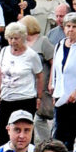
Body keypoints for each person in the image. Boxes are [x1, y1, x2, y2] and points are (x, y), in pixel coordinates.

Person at [50, 12, 76, 151]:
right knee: (60, 130)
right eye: (68, 26)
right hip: (61, 94)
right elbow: (56, 68)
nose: (70, 29)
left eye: (74, 26)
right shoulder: (59, 45)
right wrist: (52, 86)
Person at [0, 22, 43, 146]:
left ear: (23, 38)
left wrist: (39, 97)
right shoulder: (4, 51)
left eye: (16, 38)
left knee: (23, 133)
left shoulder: (31, 55)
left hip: (25, 98)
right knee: (5, 133)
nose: (13, 41)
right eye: (10, 38)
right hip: (7, 98)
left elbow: (39, 76)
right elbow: (0, 73)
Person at [19, 15, 55, 143]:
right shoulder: (22, 43)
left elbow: (53, 62)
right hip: (26, 86)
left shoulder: (43, 41)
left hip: (42, 84)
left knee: (39, 117)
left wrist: (51, 81)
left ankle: (48, 143)